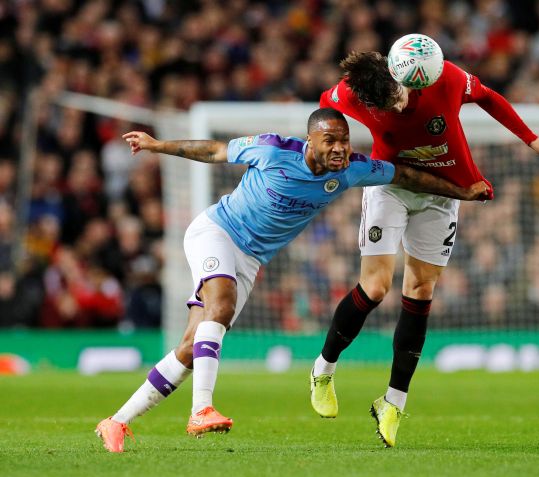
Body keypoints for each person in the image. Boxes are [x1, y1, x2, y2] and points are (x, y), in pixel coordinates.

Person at [94, 107, 491, 453]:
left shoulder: (353, 169)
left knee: (189, 348)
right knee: (221, 305)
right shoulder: (271, 149)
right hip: (217, 231)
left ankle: (117, 421)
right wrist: (156, 144)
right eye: (330, 141)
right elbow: (215, 151)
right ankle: (201, 410)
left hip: (251, 258)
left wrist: (462, 191)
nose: (339, 148)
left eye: (345, 141)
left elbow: (406, 176)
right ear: (310, 140)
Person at [310, 46, 539, 447]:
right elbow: (325, 108)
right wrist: (333, 145)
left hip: (442, 195)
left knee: (421, 291)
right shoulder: (353, 94)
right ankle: (323, 368)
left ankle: (392, 402)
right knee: (375, 288)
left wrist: (530, 139)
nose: (403, 101)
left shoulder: (442, 76)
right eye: (392, 104)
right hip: (390, 187)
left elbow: (488, 97)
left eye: (404, 92)